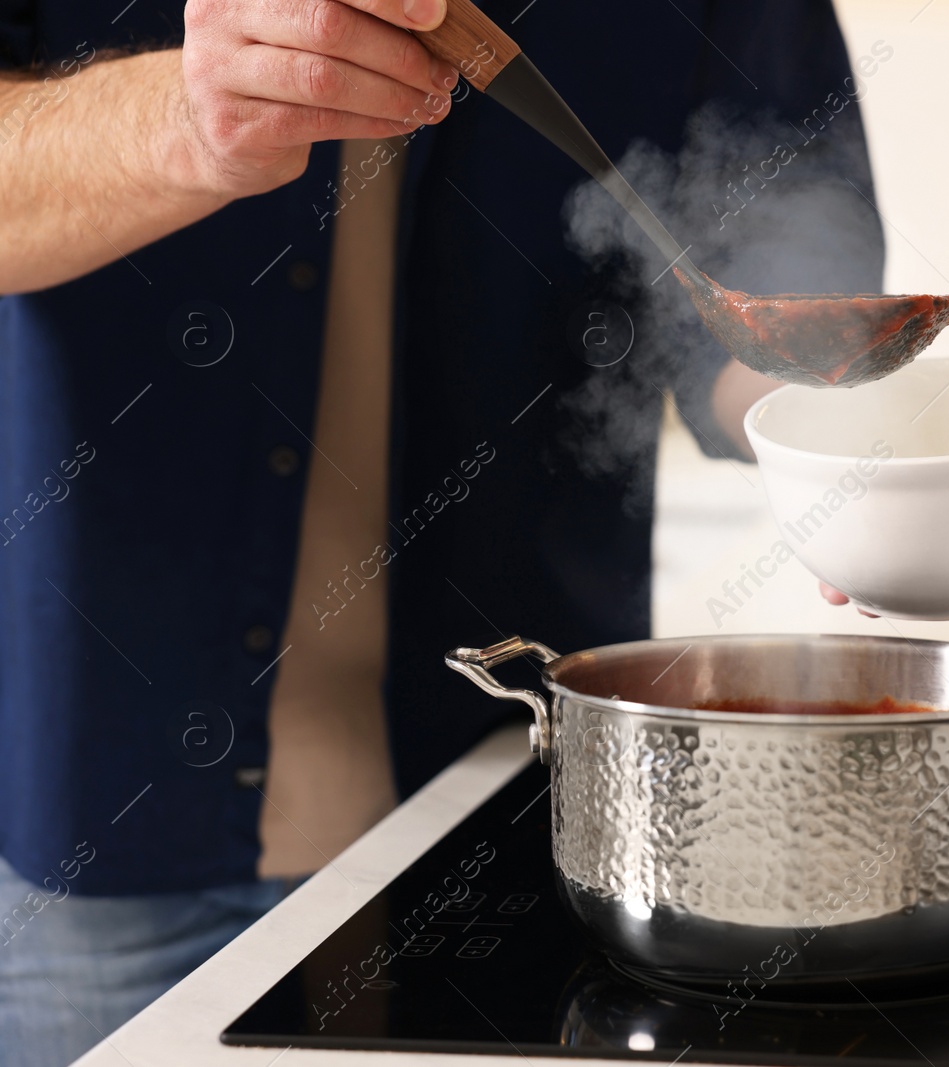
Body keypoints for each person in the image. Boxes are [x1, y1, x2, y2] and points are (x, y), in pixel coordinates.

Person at [0, 1, 883, 1063]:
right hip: (95, 794)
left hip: (524, 801)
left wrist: (867, 430)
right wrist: (186, 118)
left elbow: (749, 315)